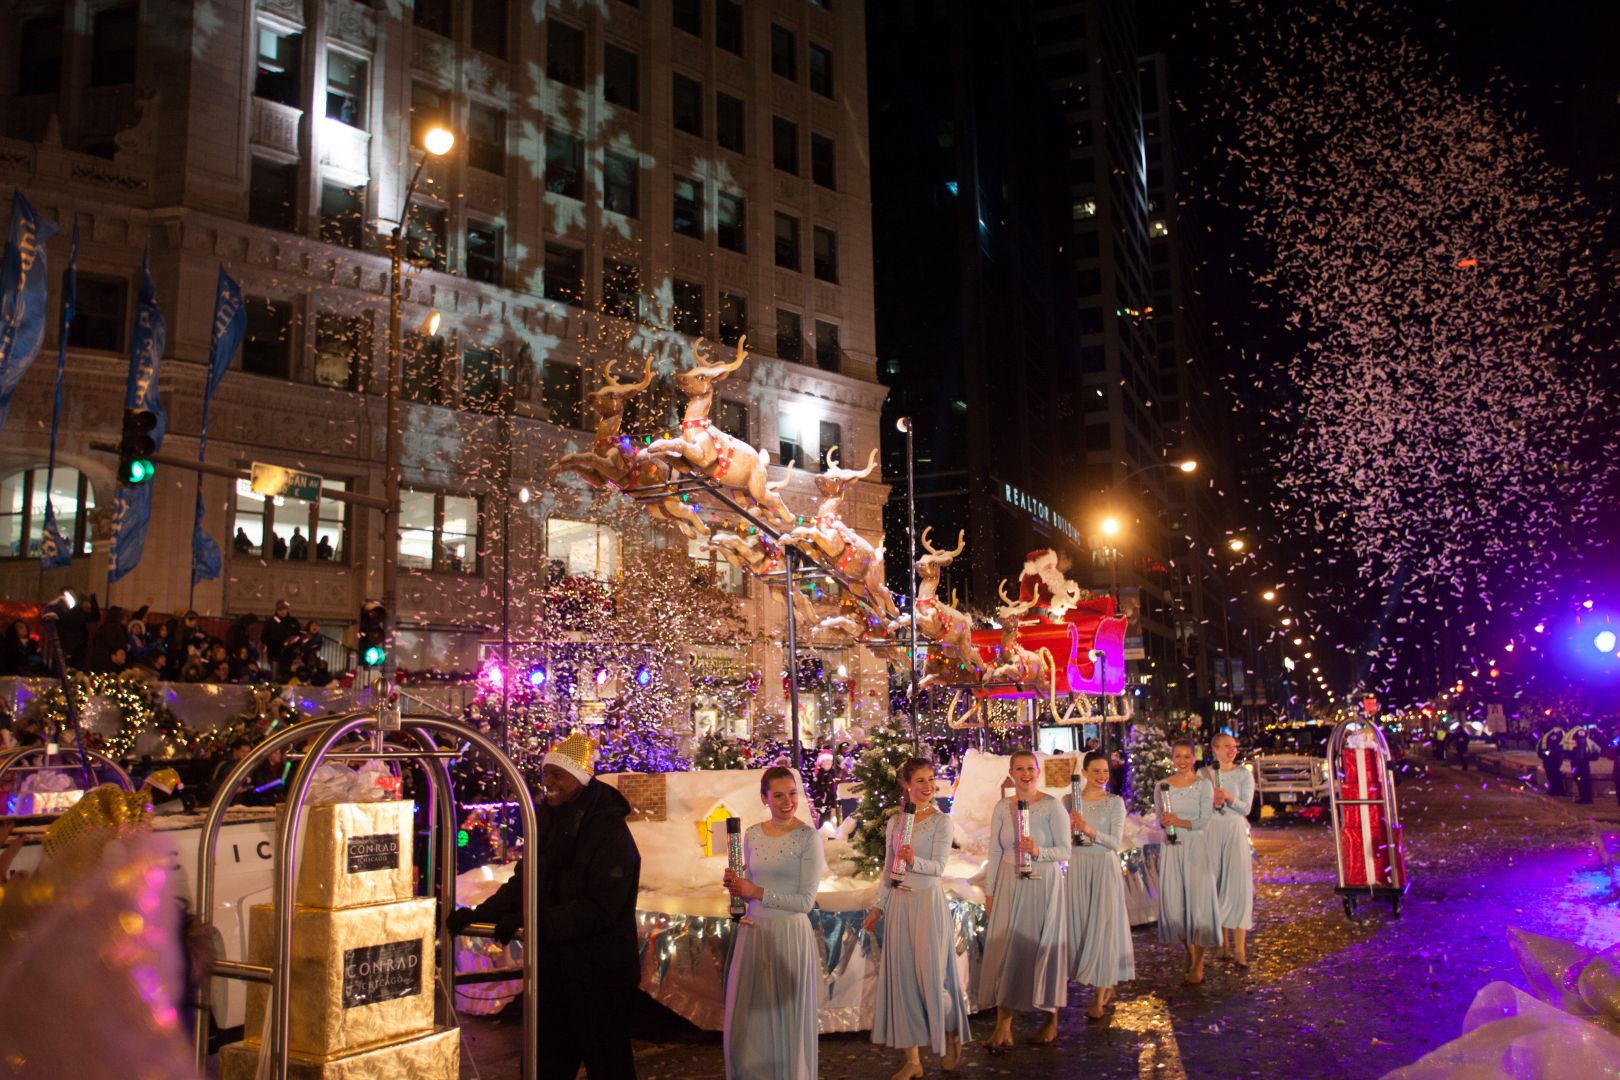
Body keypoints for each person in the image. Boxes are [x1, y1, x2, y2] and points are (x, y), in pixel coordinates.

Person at [447, 733, 641, 1079]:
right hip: (555, 970)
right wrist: (479, 916)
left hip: (599, 974)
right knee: (545, 1063)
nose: (547, 783)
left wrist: (535, 924)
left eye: (557, 775)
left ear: (580, 780)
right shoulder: (549, 822)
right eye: (545, 774)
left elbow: (600, 906)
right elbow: (525, 882)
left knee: (608, 1064)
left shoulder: (608, 830)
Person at [863, 758, 970, 1077]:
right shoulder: (895, 823)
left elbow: (938, 867)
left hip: (927, 903)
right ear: (907, 785)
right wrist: (879, 906)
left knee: (931, 979)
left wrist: (914, 860)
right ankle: (913, 1061)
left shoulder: (941, 822)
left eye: (930, 780)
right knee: (904, 980)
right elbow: (887, 870)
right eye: (920, 781)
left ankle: (950, 1029)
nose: (927, 787)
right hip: (899, 903)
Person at [723, 766, 824, 1080]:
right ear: (764, 798)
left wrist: (756, 891)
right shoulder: (751, 833)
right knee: (750, 1022)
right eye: (778, 795)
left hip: (789, 937)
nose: (787, 801)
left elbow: (805, 902)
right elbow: (749, 881)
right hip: (754, 934)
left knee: (785, 1016)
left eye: (792, 793)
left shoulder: (808, 838)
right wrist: (737, 888)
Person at [979, 748, 1070, 1049]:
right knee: (1006, 949)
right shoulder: (1002, 807)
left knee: (1040, 948)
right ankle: (1004, 1025)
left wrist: (1038, 851)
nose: (1026, 774)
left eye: (1030, 768)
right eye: (1019, 769)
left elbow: (1065, 851)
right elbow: (994, 851)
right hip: (1008, 882)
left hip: (1042, 883)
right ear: (1011, 773)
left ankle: (1050, 1018)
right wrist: (990, 893)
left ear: (1037, 771)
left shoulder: (1052, 806)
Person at [1063, 751, 1135, 1022]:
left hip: (1104, 868)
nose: (1102, 776)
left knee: (1102, 928)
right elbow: (1063, 837)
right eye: (1096, 771)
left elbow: (1115, 842)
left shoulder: (1115, 803)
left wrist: (1089, 829)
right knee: (1082, 927)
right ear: (1084, 773)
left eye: (1105, 771)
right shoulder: (1069, 801)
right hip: (1079, 867)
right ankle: (1102, 981)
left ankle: (1099, 996)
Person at [1158, 739, 1221, 985]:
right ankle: (1190, 951)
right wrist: (1166, 822)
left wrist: (1180, 821)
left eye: (1187, 756)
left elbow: (1204, 819)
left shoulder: (1203, 786)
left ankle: (1198, 963)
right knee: (1175, 907)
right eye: (1178, 756)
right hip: (1173, 848)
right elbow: (1159, 818)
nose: (1182, 761)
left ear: (1193, 758)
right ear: (1172, 758)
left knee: (1197, 906)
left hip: (1196, 847)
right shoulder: (1162, 786)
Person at [1206, 734, 1255, 967]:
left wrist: (1229, 797)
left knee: (1237, 886)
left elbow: (1246, 807)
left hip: (1234, 832)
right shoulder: (1204, 775)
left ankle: (1241, 949)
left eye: (1234, 746)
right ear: (1215, 749)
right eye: (1226, 746)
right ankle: (1222, 943)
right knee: (1217, 884)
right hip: (1212, 832)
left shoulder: (1243, 774)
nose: (1232, 750)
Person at [262, 600, 298, 679]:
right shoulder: (270, 622)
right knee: (275, 675)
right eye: (280, 610)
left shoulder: (293, 622)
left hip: (289, 654)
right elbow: (264, 637)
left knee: (288, 676)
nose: (282, 612)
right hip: (274, 653)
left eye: (284, 609)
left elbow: (297, 636)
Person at [1538, 726, 1567, 797]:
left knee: (1554, 773)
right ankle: (1555, 789)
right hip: (1550, 757)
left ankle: (1557, 790)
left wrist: (1545, 753)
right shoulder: (1550, 732)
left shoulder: (1556, 733)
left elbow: (1553, 748)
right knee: (1551, 774)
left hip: (1553, 758)